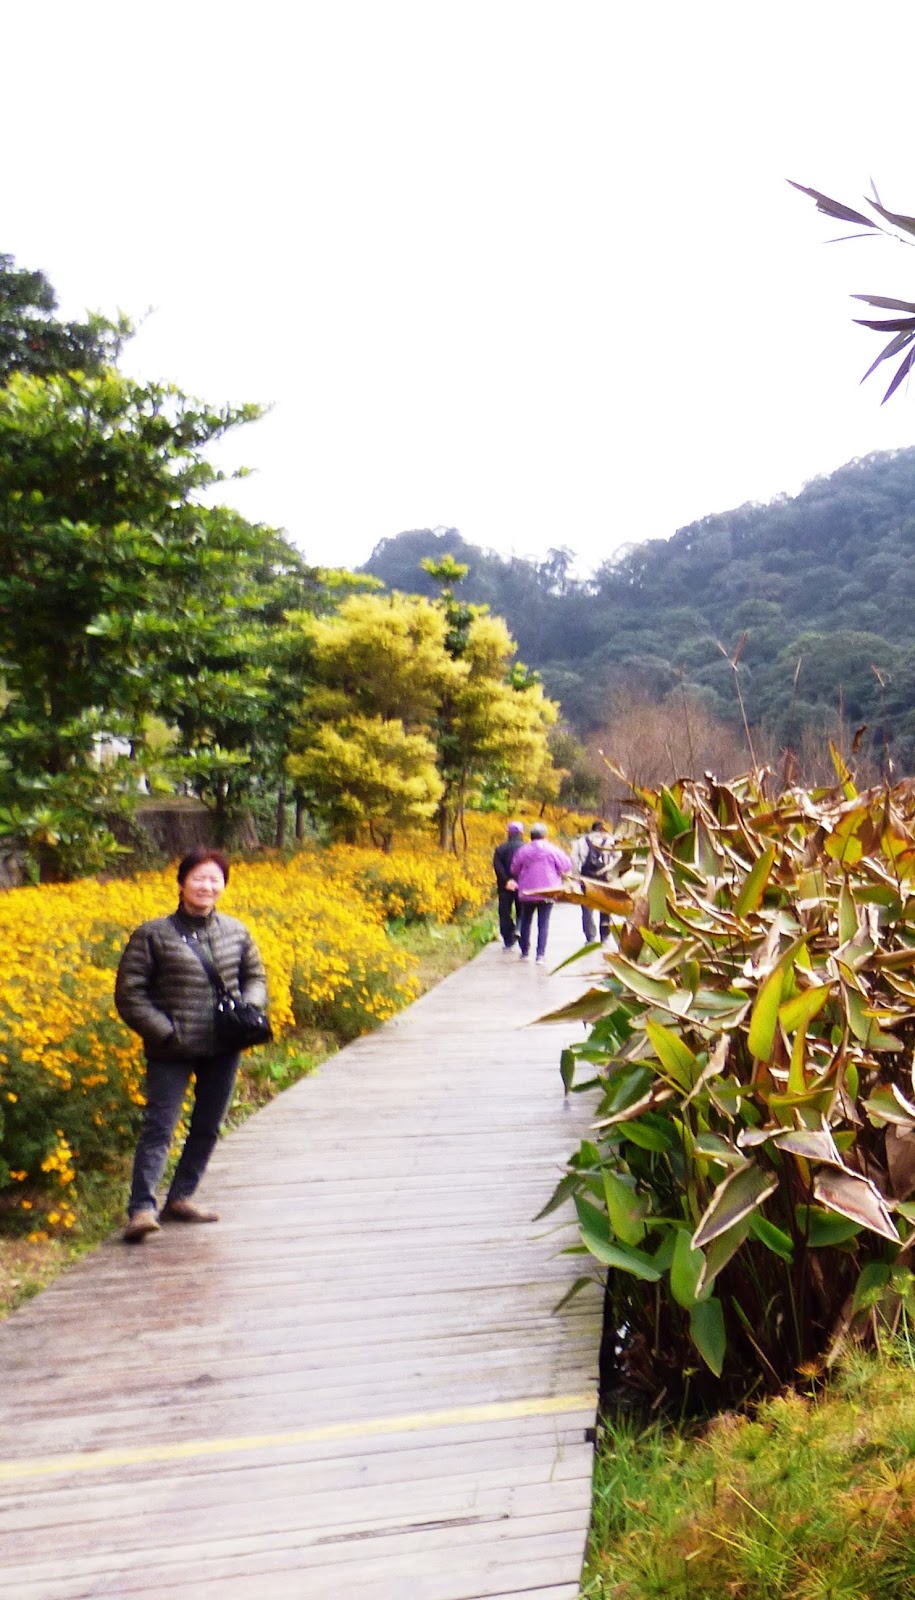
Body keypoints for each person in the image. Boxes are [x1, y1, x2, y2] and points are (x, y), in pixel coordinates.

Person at [115, 846, 268, 1243]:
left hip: (224, 1045)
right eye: (199, 878)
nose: (207, 886)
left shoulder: (236, 931)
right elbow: (130, 994)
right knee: (160, 1127)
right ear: (182, 883)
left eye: (215, 879)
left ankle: (181, 1197)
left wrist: (249, 1009)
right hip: (172, 1048)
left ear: (224, 886)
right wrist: (165, 1032)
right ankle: (141, 1209)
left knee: (208, 1125)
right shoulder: (152, 934)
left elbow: (255, 976)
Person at [507, 821, 572, 965]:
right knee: (543, 923)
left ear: (530, 836)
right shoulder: (552, 850)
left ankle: (525, 952)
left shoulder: (523, 851)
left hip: (527, 892)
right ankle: (540, 955)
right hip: (547, 892)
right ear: (545, 836)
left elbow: (514, 869)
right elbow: (567, 865)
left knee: (526, 921)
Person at [571, 818, 619, 944]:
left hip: (586, 877)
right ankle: (605, 935)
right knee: (605, 906)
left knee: (587, 907)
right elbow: (618, 857)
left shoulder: (580, 842)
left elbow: (574, 860)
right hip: (604, 877)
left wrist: (576, 877)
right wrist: (610, 871)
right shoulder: (610, 841)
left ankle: (590, 937)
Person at [492, 820, 526, 949]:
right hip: (522, 885)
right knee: (522, 911)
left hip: (505, 886)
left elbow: (497, 867)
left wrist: (507, 881)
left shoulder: (500, 849)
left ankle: (508, 939)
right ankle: (520, 932)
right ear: (521, 833)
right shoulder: (526, 849)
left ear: (508, 833)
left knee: (504, 912)